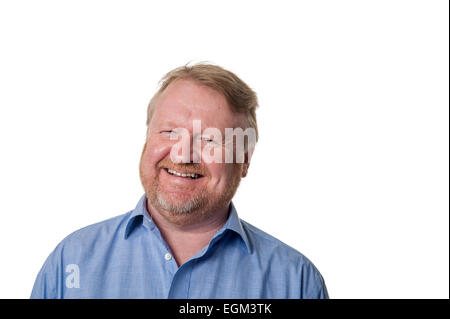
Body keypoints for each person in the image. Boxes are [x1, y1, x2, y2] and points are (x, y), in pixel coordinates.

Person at [31, 63, 328, 298]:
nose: (183, 154)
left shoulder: (296, 282)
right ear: (147, 140)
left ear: (245, 160)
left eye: (209, 139)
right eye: (169, 132)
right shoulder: (70, 261)